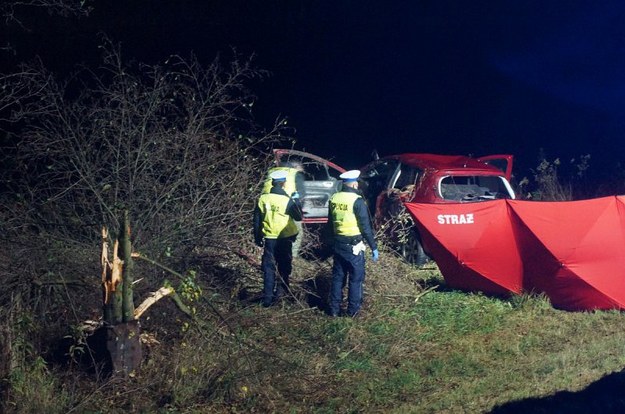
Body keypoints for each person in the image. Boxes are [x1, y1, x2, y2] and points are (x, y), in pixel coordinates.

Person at [327, 169, 379, 317]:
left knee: (338, 277)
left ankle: (334, 310)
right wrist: (373, 247)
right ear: (355, 184)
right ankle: (353, 312)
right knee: (356, 279)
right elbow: (365, 227)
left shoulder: (334, 198)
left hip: (338, 242)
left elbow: (329, 223)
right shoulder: (357, 201)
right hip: (353, 245)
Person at [253, 170, 303, 307]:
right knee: (284, 267)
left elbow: (257, 220)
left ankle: (267, 299)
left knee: (269, 268)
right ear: (283, 184)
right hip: (285, 238)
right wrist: (297, 201)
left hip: (269, 238)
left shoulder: (263, 199)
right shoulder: (287, 200)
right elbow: (299, 217)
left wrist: (257, 237)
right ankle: (281, 295)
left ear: (272, 183)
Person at [261, 160, 306, 256]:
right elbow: (301, 194)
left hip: (267, 205)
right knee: (297, 233)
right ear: (295, 167)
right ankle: (292, 256)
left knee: (271, 232)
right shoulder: (295, 174)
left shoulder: (271, 172)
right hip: (288, 206)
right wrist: (297, 203)